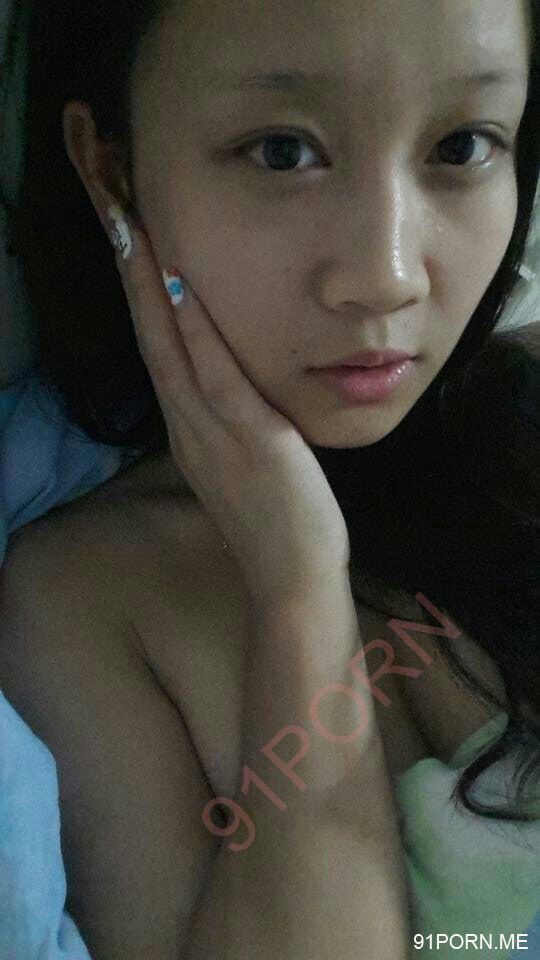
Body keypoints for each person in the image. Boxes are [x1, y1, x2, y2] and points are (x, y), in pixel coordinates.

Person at [0, 0, 539, 957]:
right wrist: (297, 584)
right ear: (111, 169)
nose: (388, 276)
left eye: (462, 145)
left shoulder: (523, 427)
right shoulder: (85, 602)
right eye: (283, 153)